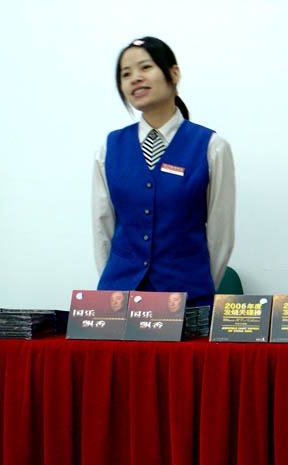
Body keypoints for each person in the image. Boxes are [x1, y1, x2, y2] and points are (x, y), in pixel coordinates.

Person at [92, 36, 235, 307]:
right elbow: (103, 228)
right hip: (120, 302)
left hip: (186, 301)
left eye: (145, 67)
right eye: (126, 74)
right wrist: (115, 283)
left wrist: (198, 287)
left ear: (174, 73)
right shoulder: (109, 148)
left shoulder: (211, 147)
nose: (135, 78)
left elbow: (221, 235)